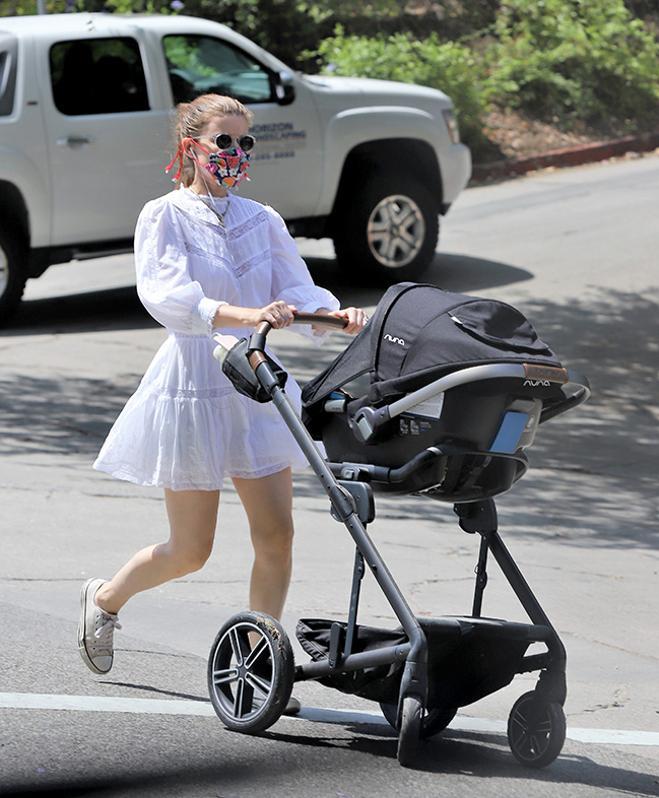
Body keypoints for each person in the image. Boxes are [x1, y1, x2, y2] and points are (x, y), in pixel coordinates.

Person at [78, 94, 366, 715]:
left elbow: (295, 288)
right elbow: (169, 297)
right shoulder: (164, 216)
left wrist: (332, 316)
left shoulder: (262, 219)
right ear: (192, 147)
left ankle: (262, 666)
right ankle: (104, 600)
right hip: (196, 384)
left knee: (278, 534)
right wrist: (245, 315)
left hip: (257, 383)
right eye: (224, 142)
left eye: (245, 144)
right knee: (191, 550)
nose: (236, 155)